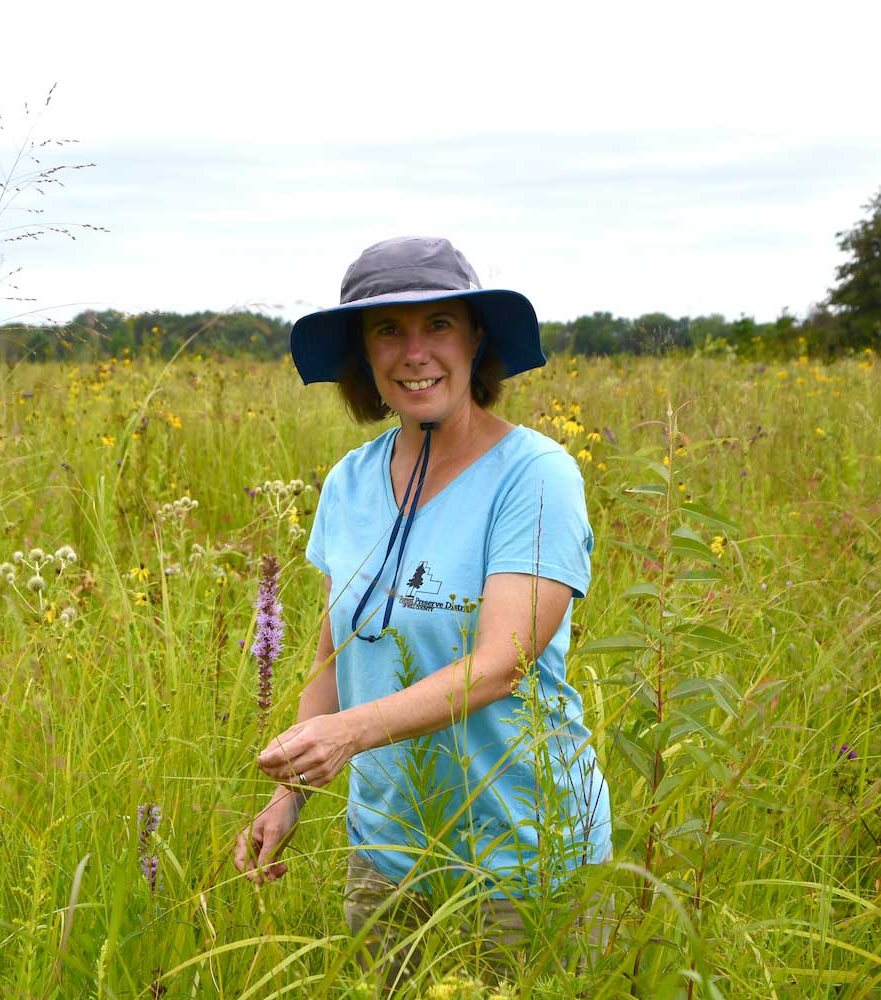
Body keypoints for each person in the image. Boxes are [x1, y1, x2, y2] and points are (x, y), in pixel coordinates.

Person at [233, 236, 612, 979]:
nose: (415, 353)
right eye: (388, 330)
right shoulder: (350, 480)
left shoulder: (536, 475)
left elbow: (504, 662)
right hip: (387, 851)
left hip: (523, 850)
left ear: (476, 340)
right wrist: (290, 798)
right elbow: (333, 655)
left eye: (438, 324)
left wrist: (350, 734)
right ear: (363, 356)